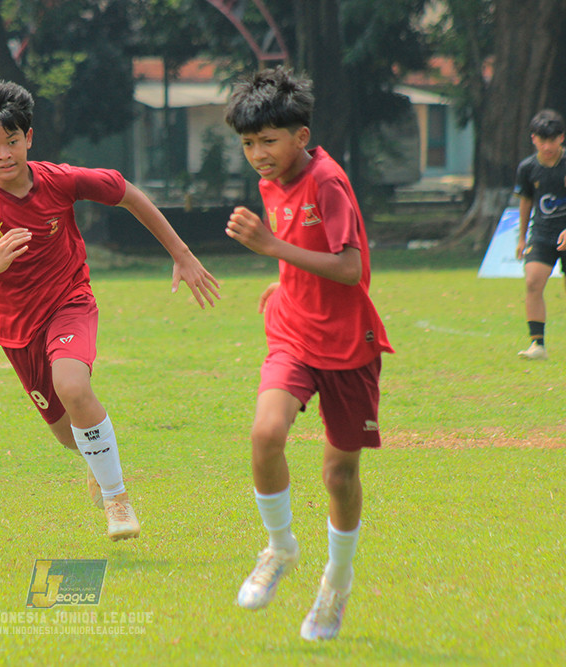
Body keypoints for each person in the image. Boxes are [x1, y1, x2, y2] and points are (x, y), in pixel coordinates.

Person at [0, 81, 220, 541]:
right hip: (16, 329)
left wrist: (182, 253)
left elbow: (127, 191)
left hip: (70, 302)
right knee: (69, 436)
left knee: (72, 384)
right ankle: (97, 461)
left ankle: (118, 500)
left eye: (12, 142)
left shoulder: (60, 180)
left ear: (29, 138)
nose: (4, 154)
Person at [222, 67, 393, 641]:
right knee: (265, 434)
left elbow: (351, 268)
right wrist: (284, 277)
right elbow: (299, 247)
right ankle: (280, 547)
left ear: (301, 135)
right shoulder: (275, 177)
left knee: (339, 475)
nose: (257, 155)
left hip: (348, 345)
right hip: (293, 331)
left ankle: (336, 583)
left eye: (268, 141)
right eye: (247, 144)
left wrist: (274, 248)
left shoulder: (328, 181)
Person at [514, 109, 566, 361]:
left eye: (552, 140)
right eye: (542, 140)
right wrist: (522, 237)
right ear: (533, 139)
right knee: (532, 282)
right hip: (543, 234)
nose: (547, 146)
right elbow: (526, 202)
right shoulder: (527, 168)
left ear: (562, 138)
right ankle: (537, 345)